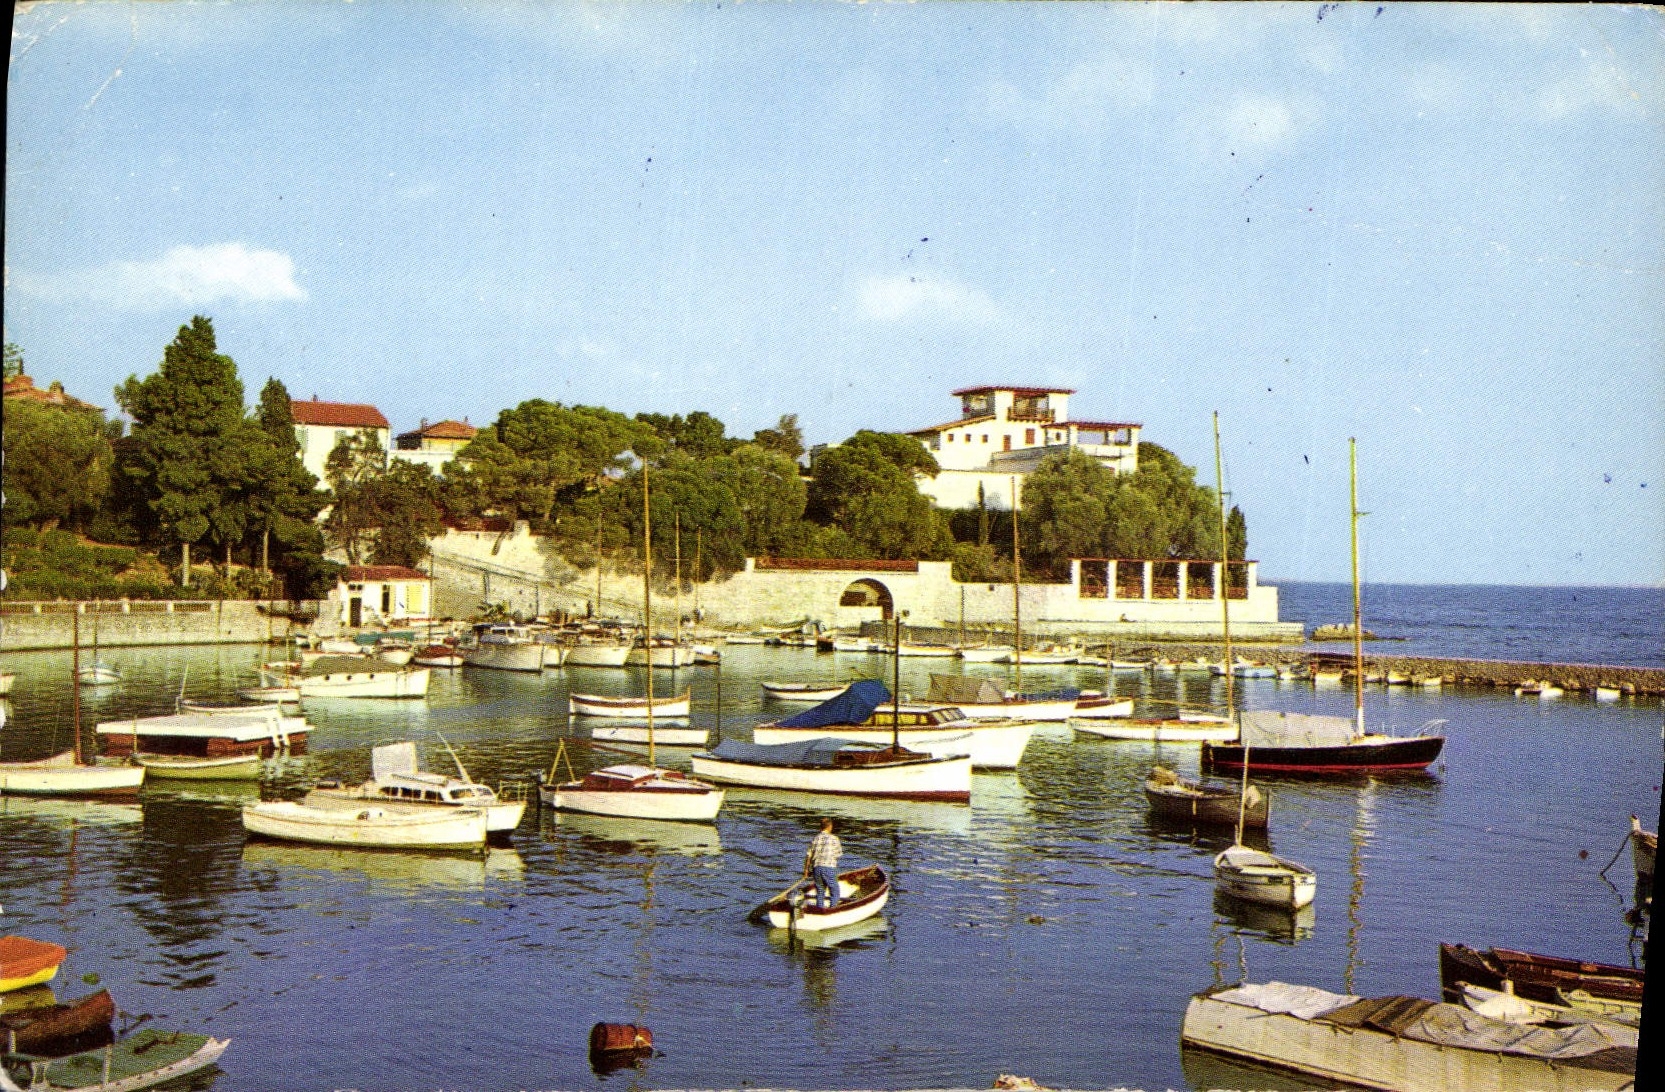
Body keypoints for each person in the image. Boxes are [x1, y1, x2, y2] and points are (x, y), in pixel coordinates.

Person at [803, 818, 843, 909]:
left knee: (820, 892)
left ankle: (819, 910)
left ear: (820, 827)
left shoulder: (815, 838)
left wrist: (806, 870)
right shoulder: (834, 838)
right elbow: (838, 855)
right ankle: (832, 910)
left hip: (816, 868)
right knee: (835, 891)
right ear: (830, 827)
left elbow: (808, 856)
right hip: (829, 867)